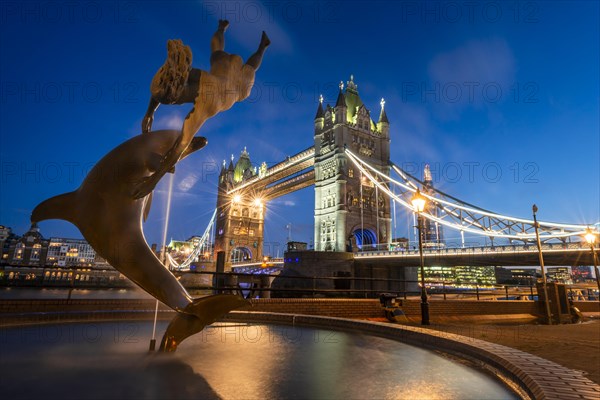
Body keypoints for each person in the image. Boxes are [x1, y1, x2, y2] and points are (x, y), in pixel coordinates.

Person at [133, 20, 270, 199]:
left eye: (172, 102)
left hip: (233, 89)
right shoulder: (190, 74)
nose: (173, 103)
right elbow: (164, 86)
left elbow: (180, 146)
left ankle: (262, 47)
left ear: (177, 97)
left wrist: (152, 183)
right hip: (219, 71)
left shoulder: (206, 103)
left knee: (249, 69)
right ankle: (225, 29)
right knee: (217, 54)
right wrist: (150, 112)